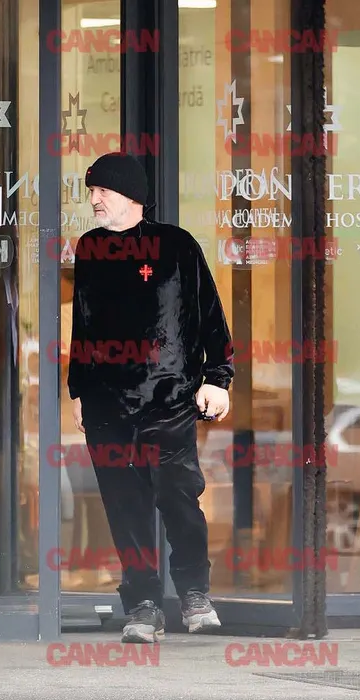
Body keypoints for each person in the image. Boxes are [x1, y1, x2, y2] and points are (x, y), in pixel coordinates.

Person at [68, 152, 234, 643]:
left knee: (180, 500)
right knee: (125, 508)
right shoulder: (89, 248)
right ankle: (143, 604)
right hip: (106, 406)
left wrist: (217, 377)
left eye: (102, 191)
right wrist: (79, 390)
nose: (94, 200)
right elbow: (83, 324)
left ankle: (194, 593)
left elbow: (210, 316)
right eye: (91, 191)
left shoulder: (177, 246)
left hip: (169, 401)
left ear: (130, 195)